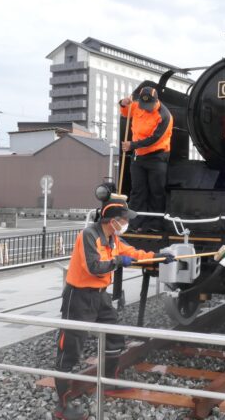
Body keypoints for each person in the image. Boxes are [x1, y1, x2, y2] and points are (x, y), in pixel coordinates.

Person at [53, 197, 174, 420]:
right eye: (125, 219)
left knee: (114, 337)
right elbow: (94, 268)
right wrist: (118, 262)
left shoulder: (113, 238)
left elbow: (133, 253)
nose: (128, 222)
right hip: (79, 297)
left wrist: (158, 257)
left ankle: (109, 382)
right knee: (70, 347)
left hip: (99, 297)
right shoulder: (89, 235)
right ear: (114, 221)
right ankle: (63, 406)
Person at [119, 86, 174, 232]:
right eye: (144, 105)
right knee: (137, 191)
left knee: (156, 191)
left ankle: (155, 224)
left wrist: (132, 145)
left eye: (149, 105)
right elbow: (126, 113)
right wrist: (123, 104)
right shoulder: (137, 106)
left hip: (157, 156)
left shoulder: (165, 115)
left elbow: (155, 139)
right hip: (139, 157)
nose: (146, 108)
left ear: (156, 101)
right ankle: (134, 223)